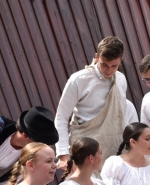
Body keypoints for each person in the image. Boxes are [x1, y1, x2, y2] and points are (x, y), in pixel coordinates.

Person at [55, 36, 139, 168]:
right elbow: (61, 116)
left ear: (120, 61)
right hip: (85, 152)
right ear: (97, 57)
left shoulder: (121, 79)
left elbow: (121, 117)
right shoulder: (79, 79)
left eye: (114, 66)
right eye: (104, 64)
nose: (109, 70)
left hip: (115, 150)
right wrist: (63, 154)